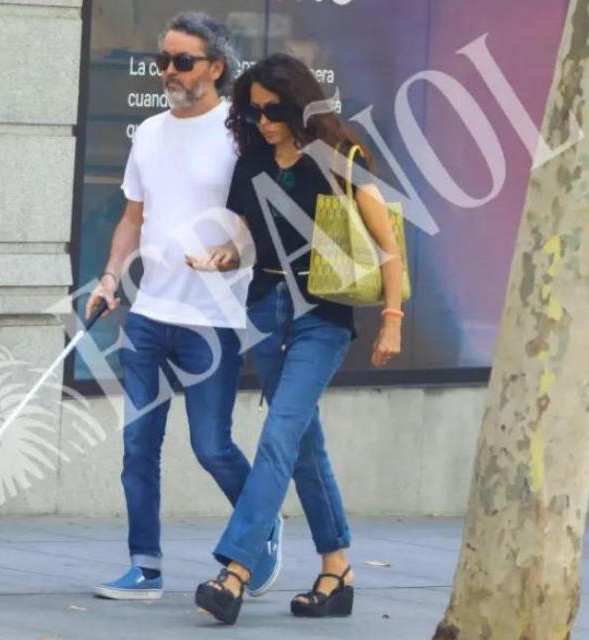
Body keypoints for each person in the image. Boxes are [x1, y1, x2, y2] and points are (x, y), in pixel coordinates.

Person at [188, 53, 404, 625]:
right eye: (254, 110)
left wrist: (392, 318)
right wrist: (225, 255)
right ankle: (337, 570)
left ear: (299, 106)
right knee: (305, 444)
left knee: (280, 435)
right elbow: (251, 239)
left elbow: (387, 245)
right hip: (266, 306)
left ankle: (235, 571)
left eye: (274, 110)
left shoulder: (340, 157)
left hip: (323, 316)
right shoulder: (254, 159)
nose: (263, 120)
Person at [85, 13, 282, 601]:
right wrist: (110, 275)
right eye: (162, 60)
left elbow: (262, 219)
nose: (168, 71)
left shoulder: (241, 132)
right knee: (137, 447)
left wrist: (233, 252)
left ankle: (260, 533)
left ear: (215, 68)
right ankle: (145, 567)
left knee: (211, 446)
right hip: (150, 314)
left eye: (182, 61)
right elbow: (133, 217)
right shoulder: (147, 132)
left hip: (214, 318)